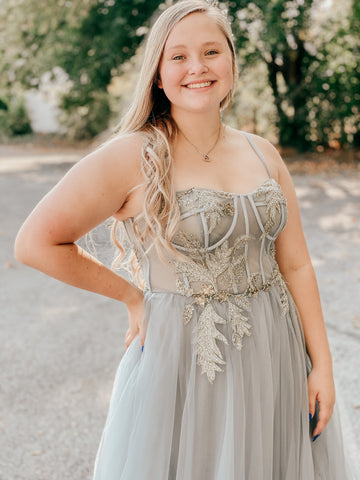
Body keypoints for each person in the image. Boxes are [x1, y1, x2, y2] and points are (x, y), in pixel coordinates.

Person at [15, 1, 352, 478]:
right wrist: (133, 297)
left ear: (232, 63)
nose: (198, 67)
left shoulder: (264, 153)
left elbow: (295, 263)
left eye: (212, 51)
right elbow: (35, 243)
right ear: (157, 73)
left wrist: (323, 364)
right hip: (186, 365)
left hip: (276, 355)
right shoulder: (133, 156)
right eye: (178, 56)